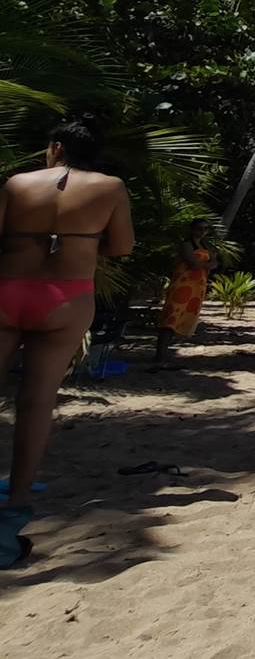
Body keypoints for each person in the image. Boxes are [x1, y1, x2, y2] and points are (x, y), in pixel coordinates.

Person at [1, 118, 135, 568]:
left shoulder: (17, 183)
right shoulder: (110, 187)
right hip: (67, 296)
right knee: (36, 402)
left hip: (7, 290)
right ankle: (16, 503)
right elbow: (122, 247)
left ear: (56, 147)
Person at [155, 219, 219, 362]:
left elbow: (214, 261)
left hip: (197, 286)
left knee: (183, 319)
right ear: (192, 229)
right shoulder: (186, 244)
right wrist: (208, 264)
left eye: (206, 229)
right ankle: (160, 355)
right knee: (171, 318)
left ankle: (165, 353)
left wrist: (208, 263)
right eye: (199, 228)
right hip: (182, 284)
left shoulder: (206, 245)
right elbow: (194, 263)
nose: (202, 232)